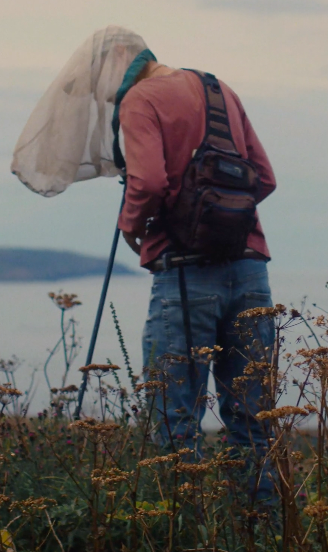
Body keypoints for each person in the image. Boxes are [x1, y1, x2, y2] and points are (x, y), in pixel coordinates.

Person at [117, 57, 278, 505]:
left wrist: (132, 224)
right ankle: (259, 530)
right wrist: (222, 215)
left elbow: (147, 180)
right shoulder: (219, 90)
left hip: (185, 271)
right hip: (250, 266)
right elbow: (263, 178)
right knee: (253, 418)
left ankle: (184, 529)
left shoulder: (139, 98)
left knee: (174, 416)